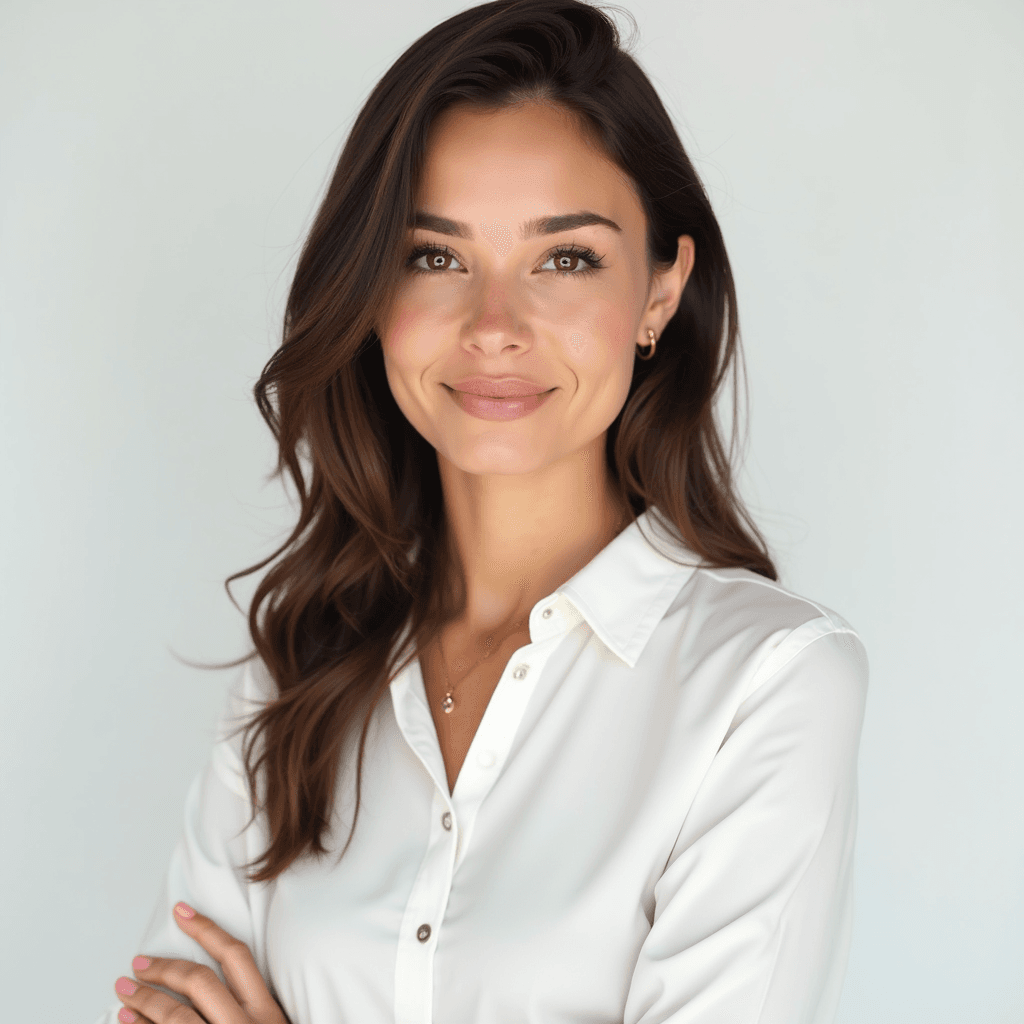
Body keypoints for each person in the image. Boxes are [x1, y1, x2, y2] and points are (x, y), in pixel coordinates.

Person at [96, 1, 868, 1022]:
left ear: (659, 292)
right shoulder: (296, 669)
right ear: (371, 291)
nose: (493, 326)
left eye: (565, 259)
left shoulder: (765, 684)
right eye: (435, 256)